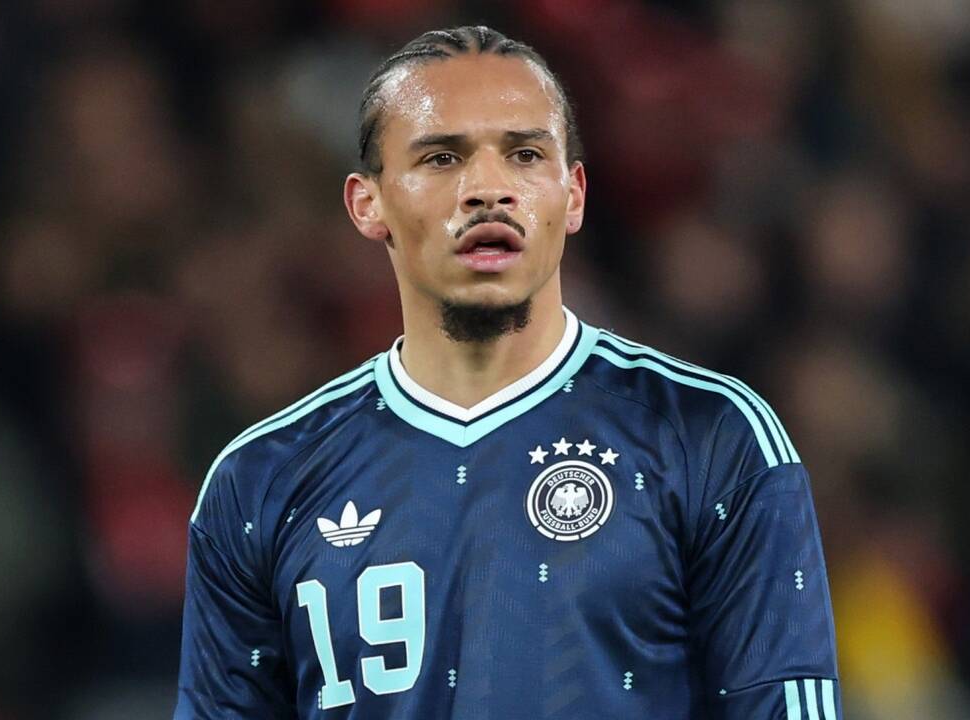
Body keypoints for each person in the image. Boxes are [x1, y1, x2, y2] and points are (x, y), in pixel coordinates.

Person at [175, 25, 840, 719]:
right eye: (441, 158)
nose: (487, 189)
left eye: (524, 154)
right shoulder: (261, 482)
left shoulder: (709, 437)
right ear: (368, 204)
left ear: (573, 195)